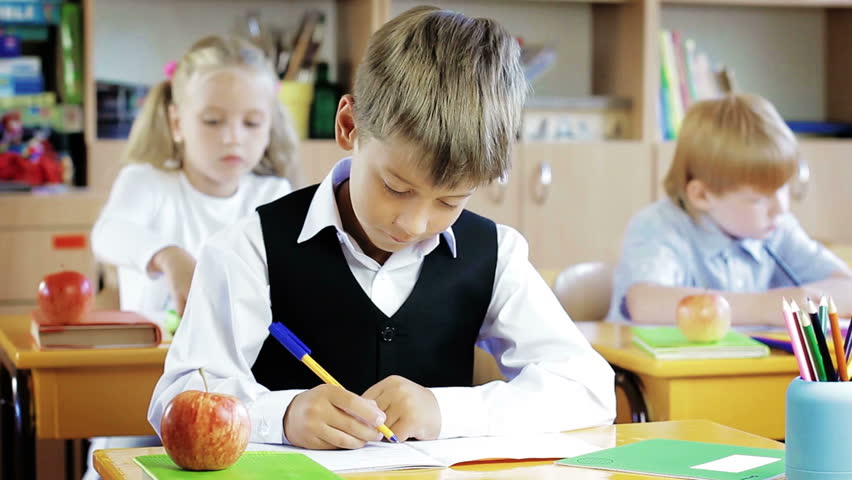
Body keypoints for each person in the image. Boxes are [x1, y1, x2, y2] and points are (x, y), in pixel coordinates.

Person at [148, 6, 615, 451]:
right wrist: (283, 415)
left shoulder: (496, 254)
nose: (414, 223)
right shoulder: (251, 249)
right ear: (349, 126)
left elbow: (589, 390)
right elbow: (180, 397)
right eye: (396, 187)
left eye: (450, 201)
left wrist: (445, 411)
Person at [85, 35, 297, 478]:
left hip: (237, 397)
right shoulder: (146, 182)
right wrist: (169, 257)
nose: (233, 138)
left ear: (270, 127)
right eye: (213, 120)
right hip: (141, 387)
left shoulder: (273, 195)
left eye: (252, 123)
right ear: (177, 122)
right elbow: (108, 234)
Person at [607, 93, 852, 325]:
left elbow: (847, 288)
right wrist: (762, 307)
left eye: (783, 188)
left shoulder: (778, 229)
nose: (781, 208)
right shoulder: (659, 226)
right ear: (702, 195)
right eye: (758, 199)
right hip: (650, 368)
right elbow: (644, 303)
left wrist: (807, 300)